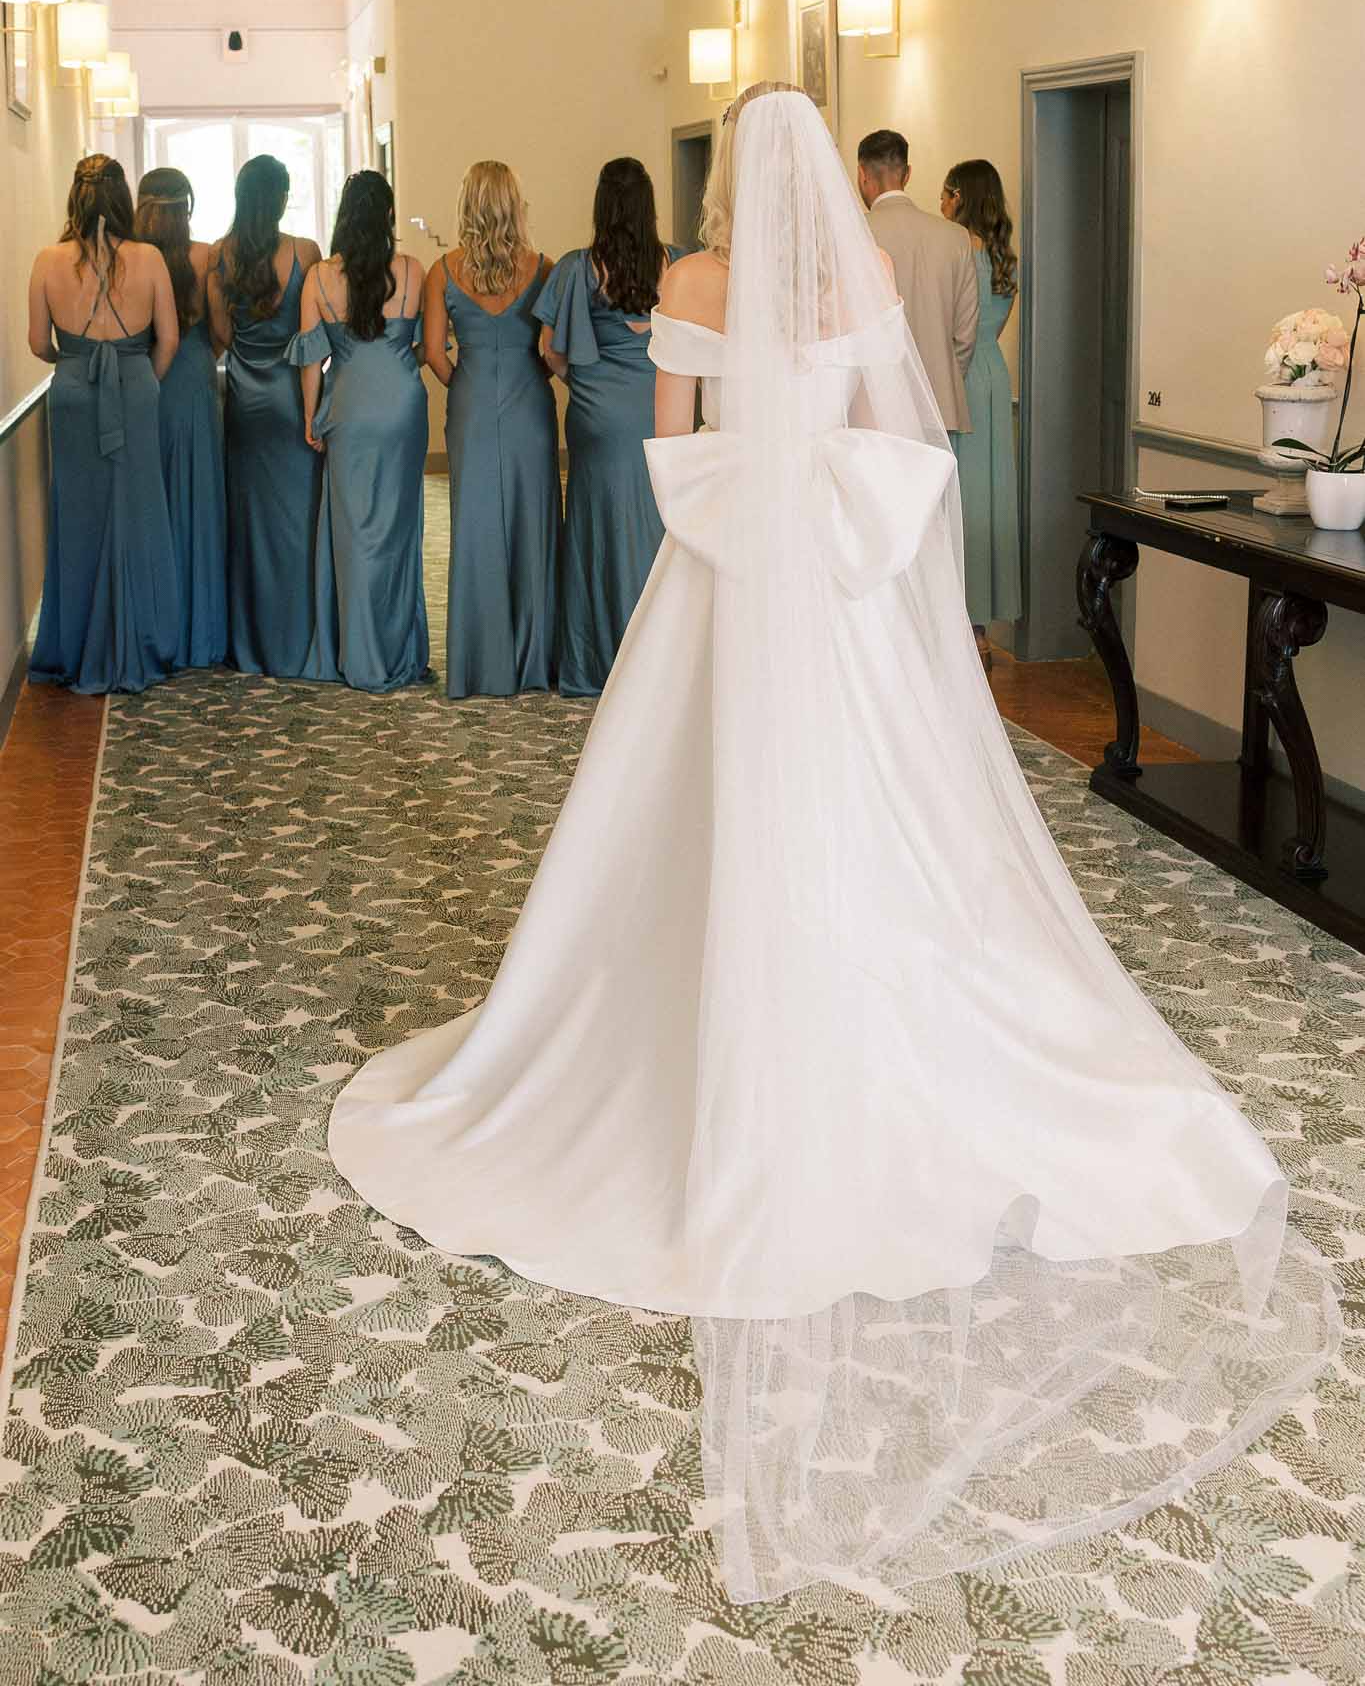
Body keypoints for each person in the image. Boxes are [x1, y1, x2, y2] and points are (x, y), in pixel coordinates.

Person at [330, 84, 1336, 1606]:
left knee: (684, 828)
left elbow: (675, 461)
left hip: (723, 597)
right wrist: (832, 534)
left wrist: (753, 511)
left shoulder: (688, 284)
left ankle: (702, 1047)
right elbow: (902, 445)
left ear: (734, 172)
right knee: (883, 827)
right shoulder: (857, 281)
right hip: (839, 606)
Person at [28, 155, 181, 694]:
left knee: (78, 516)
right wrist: (141, 379)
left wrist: (76, 362)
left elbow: (36, 343)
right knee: (137, 510)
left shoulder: (48, 259)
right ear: (121, 200)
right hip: (136, 386)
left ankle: (74, 646)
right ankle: (141, 640)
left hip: (71, 391)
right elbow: (170, 340)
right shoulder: (150, 257)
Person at [535, 157, 682, 697]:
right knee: (660, 525)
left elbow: (550, 350)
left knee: (596, 531)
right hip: (660, 408)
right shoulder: (677, 262)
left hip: (597, 414)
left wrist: (585, 386)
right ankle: (659, 661)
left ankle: (598, 659)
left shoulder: (578, 267)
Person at [423, 161, 558, 698]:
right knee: (533, 524)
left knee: (475, 527)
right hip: (529, 406)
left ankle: (479, 666)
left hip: (473, 404)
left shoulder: (443, 270)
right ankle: (533, 662)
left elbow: (434, 354)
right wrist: (530, 373)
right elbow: (551, 350)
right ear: (514, 205)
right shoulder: (543, 268)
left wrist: (469, 379)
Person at [292, 172, 430, 691]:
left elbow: (311, 359)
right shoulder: (414, 271)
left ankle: (359, 652)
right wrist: (394, 355)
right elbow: (422, 348)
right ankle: (399, 649)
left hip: (347, 405)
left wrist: (311, 415)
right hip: (401, 405)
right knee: (399, 529)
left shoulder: (320, 279)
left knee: (352, 533)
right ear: (389, 217)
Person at [207, 155, 322, 678]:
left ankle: (251, 642)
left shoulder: (220, 256)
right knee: (297, 521)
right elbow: (311, 341)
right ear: (280, 197)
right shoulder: (306, 252)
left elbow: (222, 337)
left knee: (249, 524)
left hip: (246, 405)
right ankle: (299, 637)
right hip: (293, 398)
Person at [135, 167, 228, 672]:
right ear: (185, 208)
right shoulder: (204, 255)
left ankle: (154, 626)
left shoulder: (129, 256)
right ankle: (199, 629)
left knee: (153, 501)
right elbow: (220, 329)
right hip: (192, 376)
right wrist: (199, 355)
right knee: (197, 498)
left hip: (143, 378)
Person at [941, 160, 1024, 660]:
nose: (941, 206)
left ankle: (953, 616)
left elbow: (954, 325)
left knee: (959, 496)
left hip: (962, 371)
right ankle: (979, 628)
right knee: (989, 494)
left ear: (959, 197)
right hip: (994, 373)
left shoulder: (956, 251)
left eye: (944, 196)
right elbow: (995, 323)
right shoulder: (1005, 258)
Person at [856, 127, 978, 434]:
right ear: (907, 173)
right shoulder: (956, 237)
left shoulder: (851, 234)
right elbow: (965, 335)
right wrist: (940, 381)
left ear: (862, 173)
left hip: (870, 409)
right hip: (940, 405)